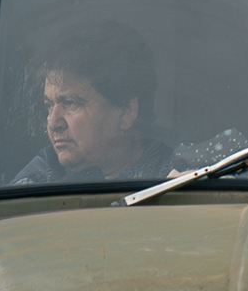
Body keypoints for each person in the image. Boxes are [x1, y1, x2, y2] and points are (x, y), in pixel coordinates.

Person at [13, 30, 171, 185]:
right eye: (49, 105)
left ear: (127, 112)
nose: (53, 123)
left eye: (70, 103)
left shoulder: (179, 176)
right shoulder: (37, 179)